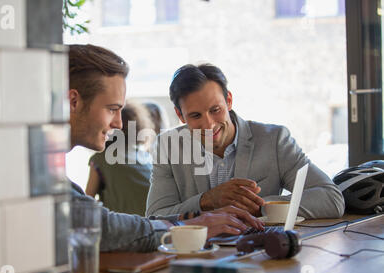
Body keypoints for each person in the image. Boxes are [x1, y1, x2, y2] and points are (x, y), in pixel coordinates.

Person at [68, 45, 264, 252]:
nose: (118, 123)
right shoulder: (40, 177)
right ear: (73, 101)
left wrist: (196, 221)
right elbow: (102, 228)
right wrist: (188, 224)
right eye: (112, 109)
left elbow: (102, 222)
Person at [146, 63, 345, 220]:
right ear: (180, 115)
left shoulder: (274, 140)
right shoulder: (169, 145)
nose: (208, 124)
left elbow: (331, 198)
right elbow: (155, 217)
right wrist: (207, 201)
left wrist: (261, 206)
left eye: (215, 110)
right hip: (199, 255)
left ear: (229, 101)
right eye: (196, 115)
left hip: (262, 253)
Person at [85, 100, 155, 215]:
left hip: (122, 227)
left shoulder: (100, 160)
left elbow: (87, 202)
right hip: (152, 225)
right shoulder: (146, 157)